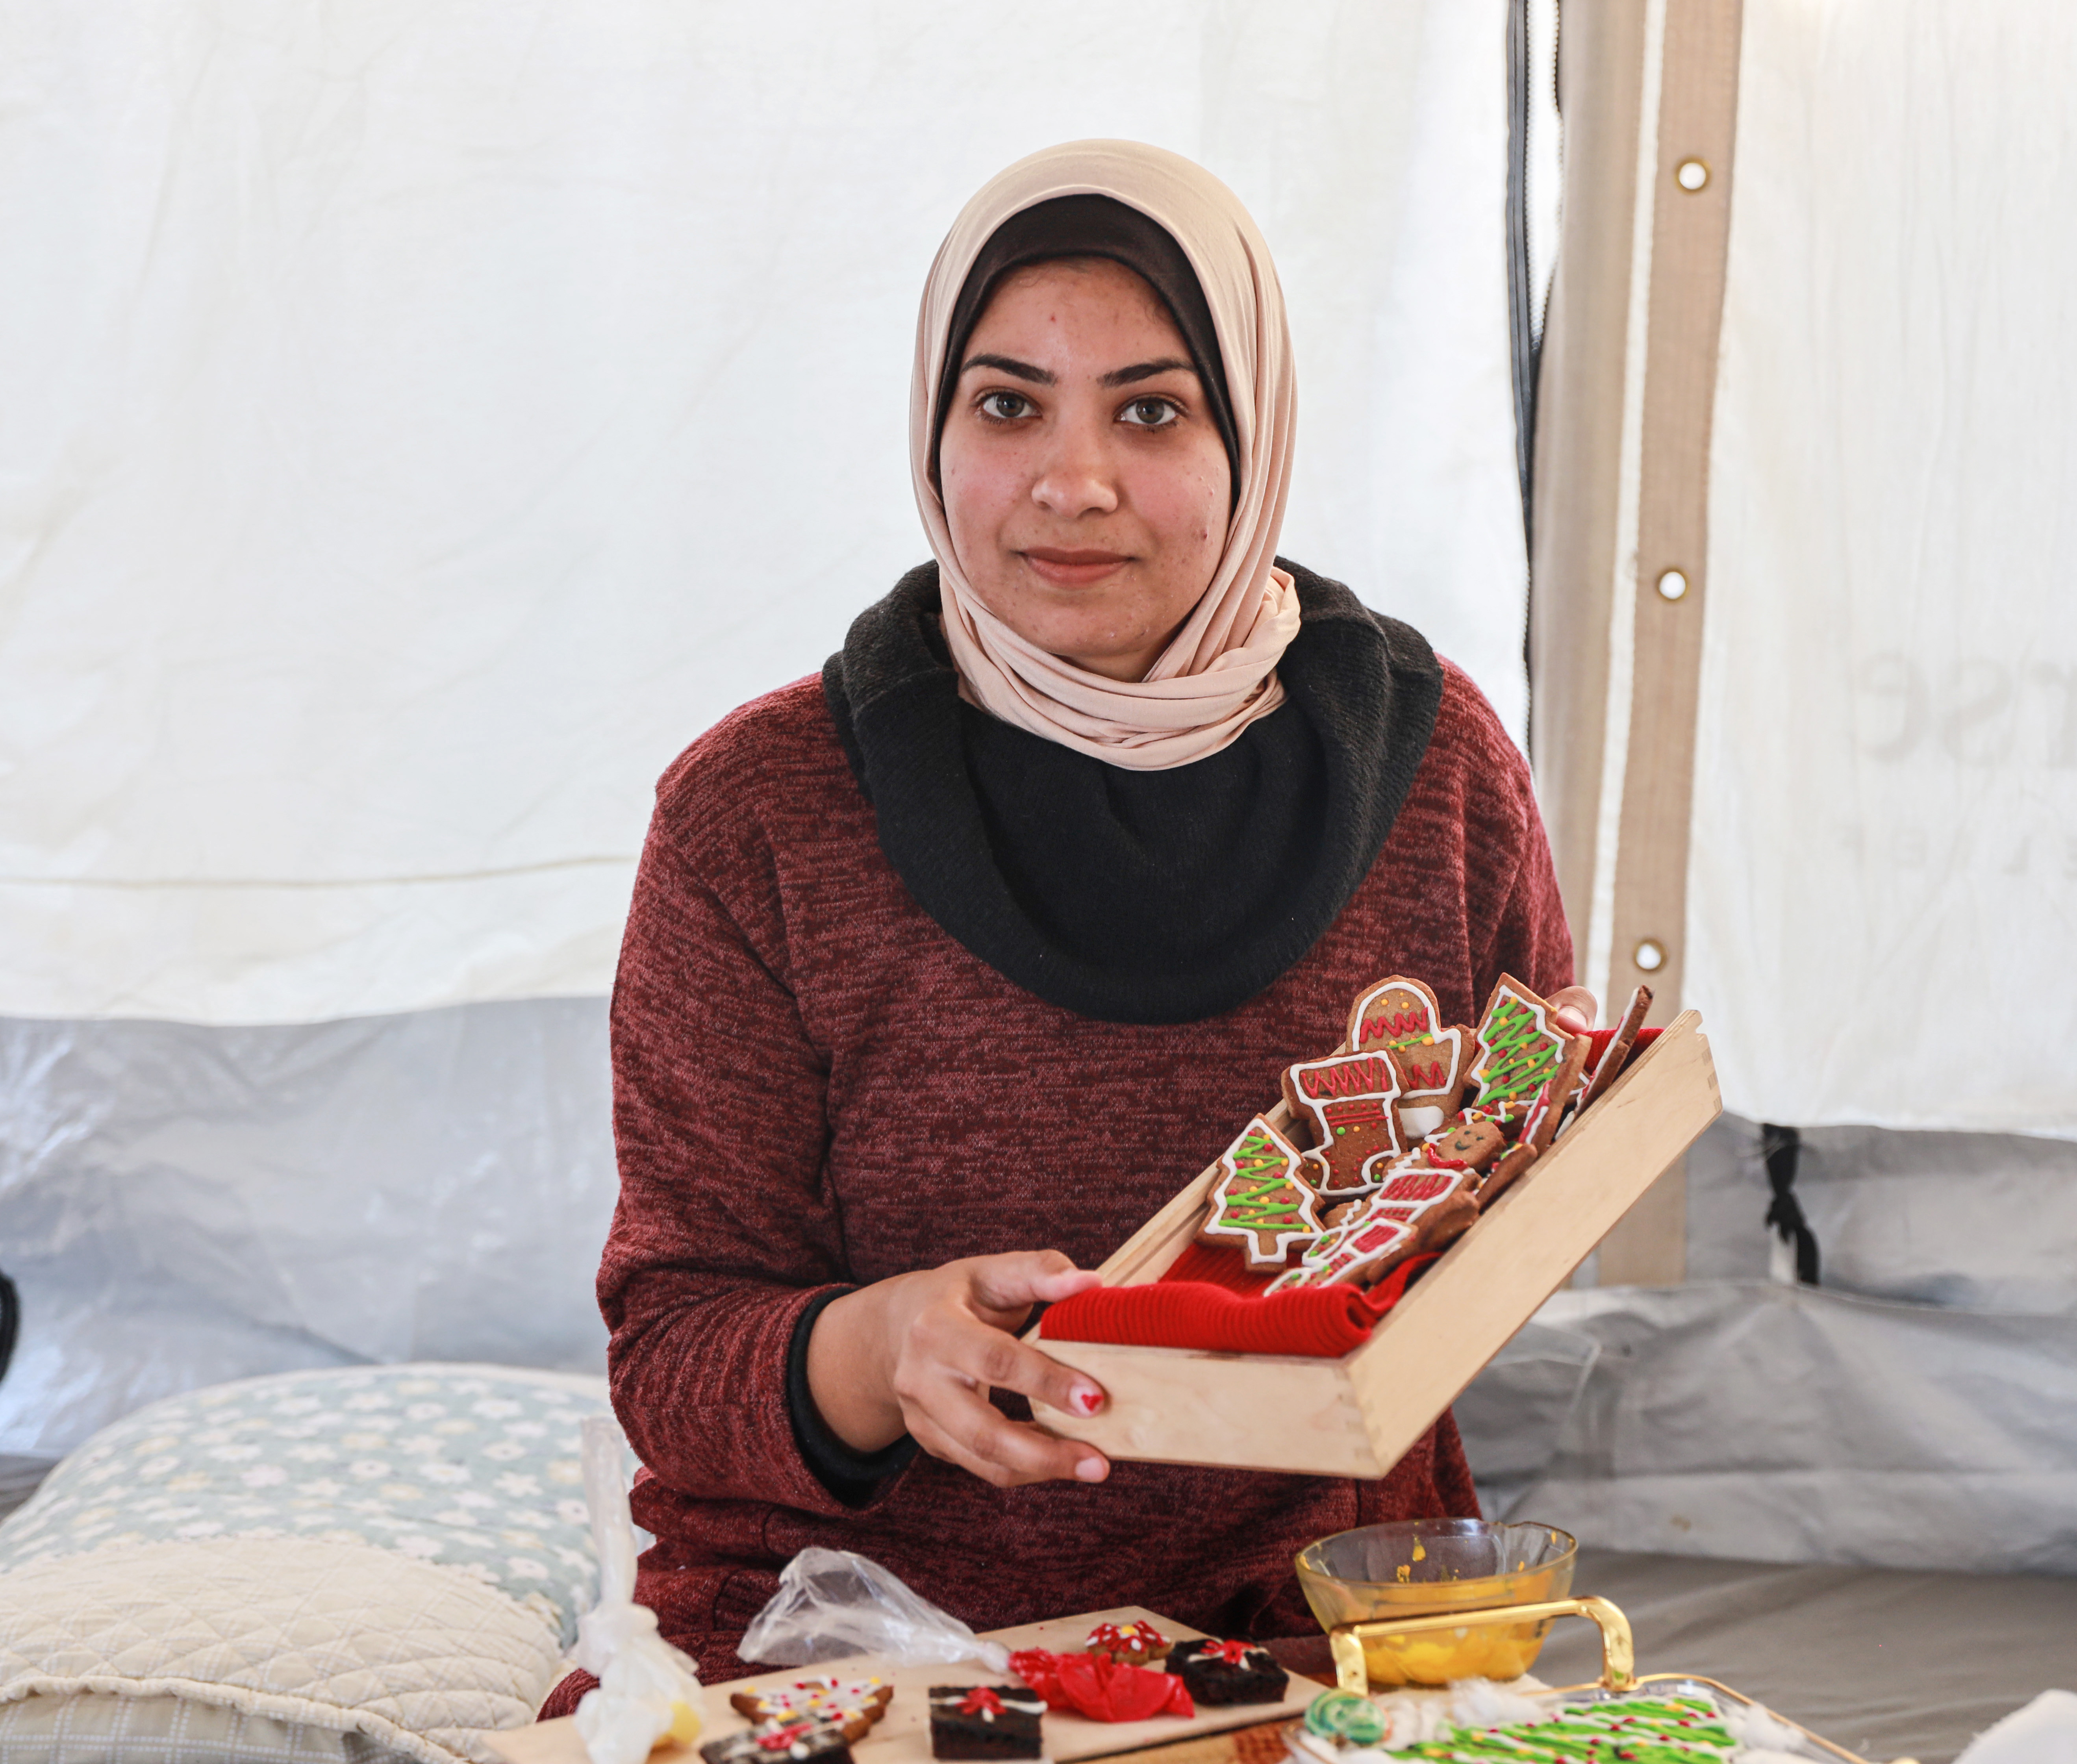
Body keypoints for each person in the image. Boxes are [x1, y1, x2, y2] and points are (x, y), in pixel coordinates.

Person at [545, 139, 1586, 1713]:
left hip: (1305, 1647)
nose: (1071, 480)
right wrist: (885, 1347)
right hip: (840, 1646)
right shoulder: (758, 815)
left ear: (1254, 431)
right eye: (1009, 403)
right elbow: (675, 1350)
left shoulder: (1434, 776)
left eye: (1152, 410)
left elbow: (1514, 1206)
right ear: (934, 426)